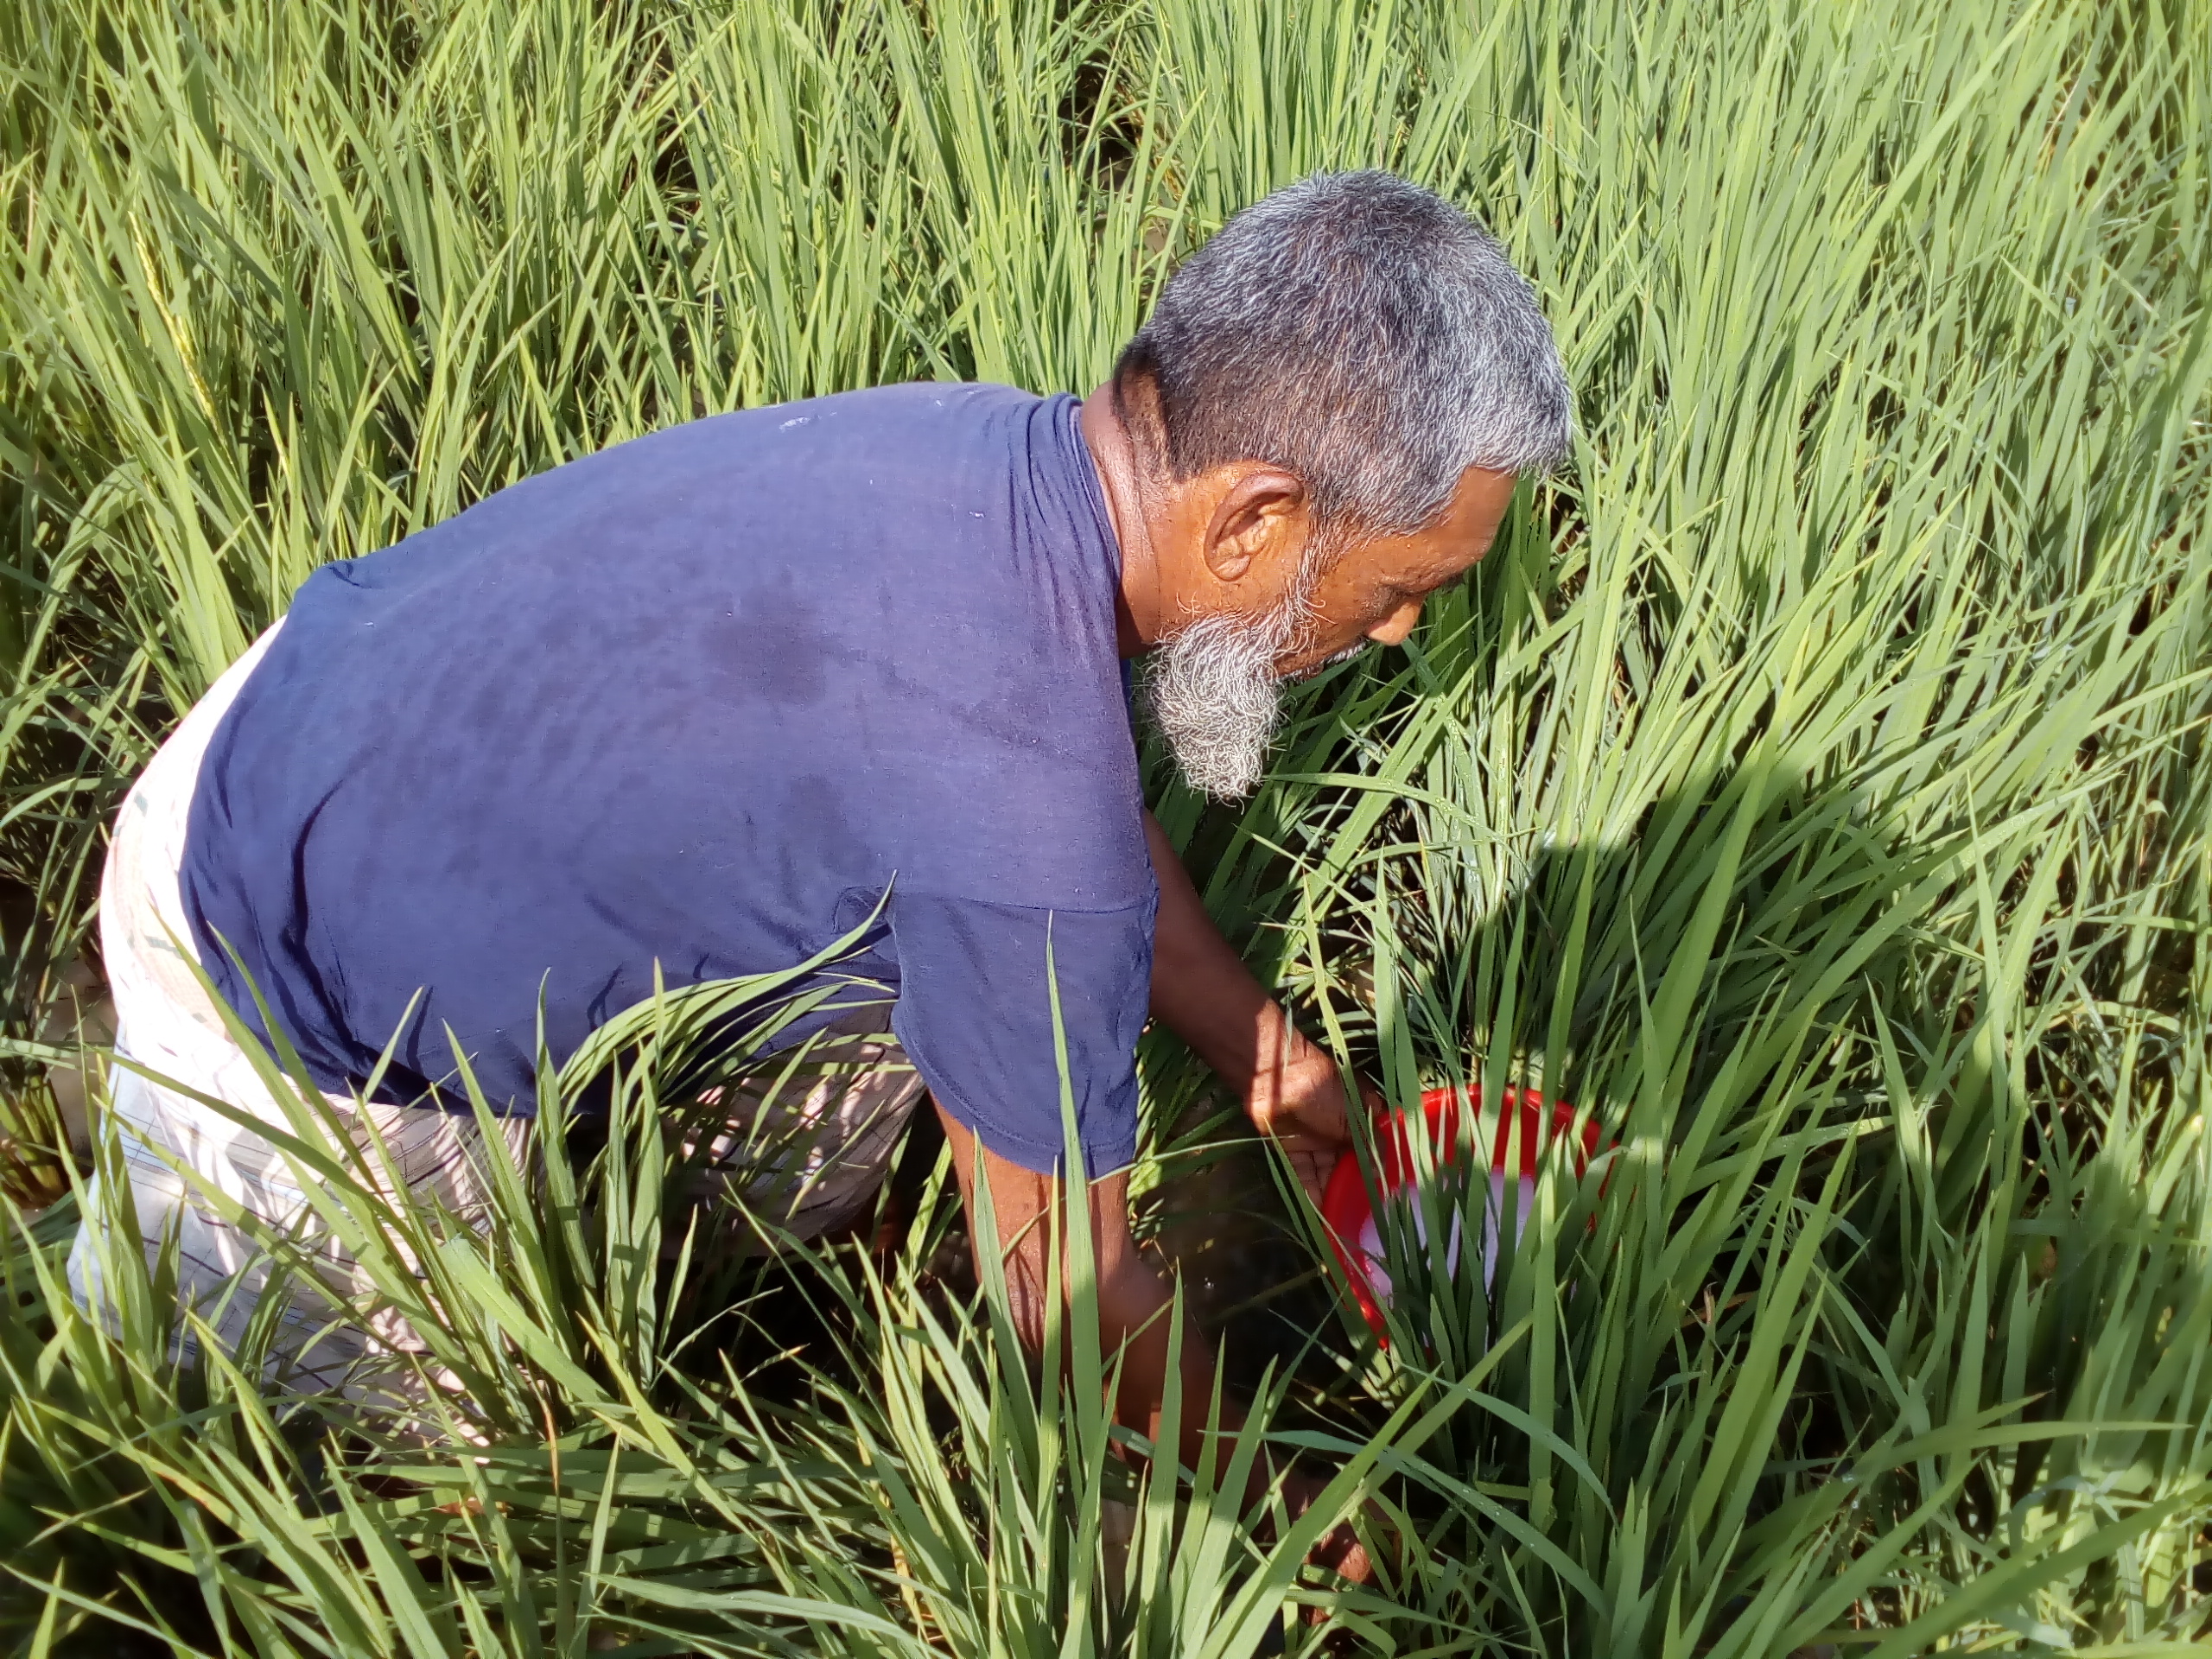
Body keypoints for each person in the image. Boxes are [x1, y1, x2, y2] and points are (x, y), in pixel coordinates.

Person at [72, 170, 1569, 1529]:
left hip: (340, 700)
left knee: (929, 1032)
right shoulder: (1016, 809)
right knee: (412, 1471)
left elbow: (1063, 837)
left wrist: (1279, 1071)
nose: (1403, 630)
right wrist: (1296, 1507)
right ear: (1254, 520)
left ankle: (682, 1234)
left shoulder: (1007, 469)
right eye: (1401, 585)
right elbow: (1063, 1294)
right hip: (274, 937)